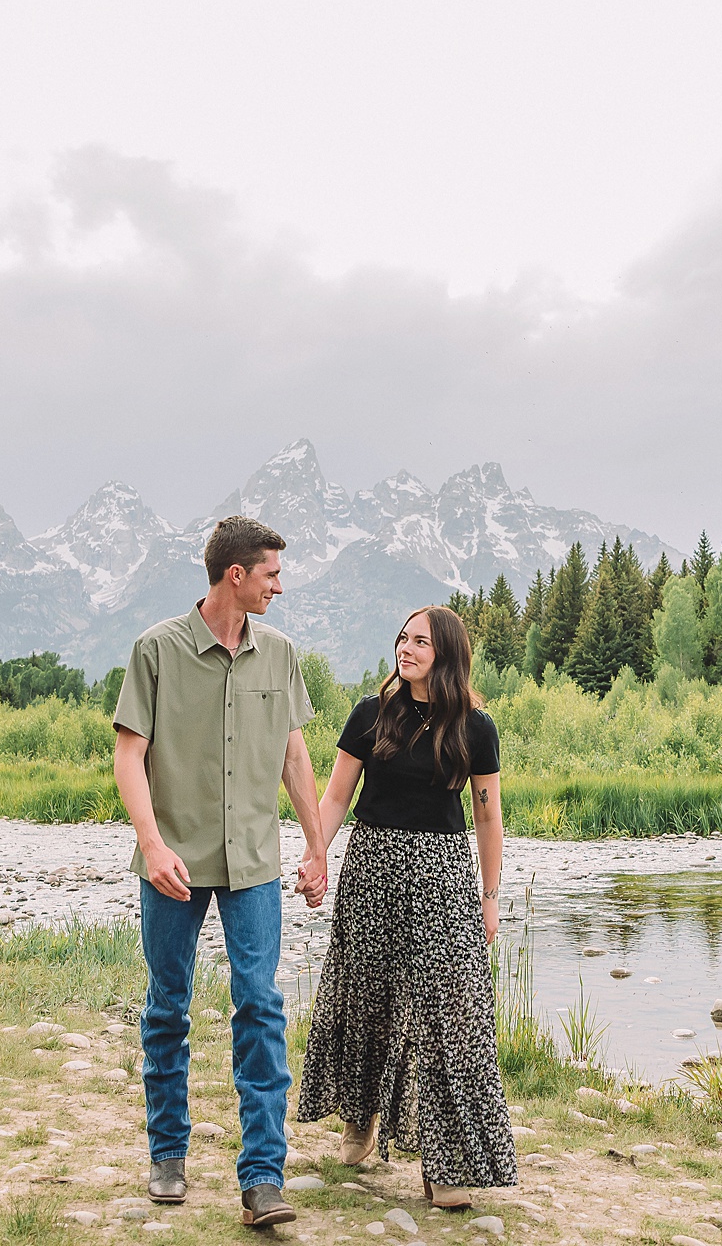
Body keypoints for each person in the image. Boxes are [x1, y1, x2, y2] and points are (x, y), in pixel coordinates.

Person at [113, 515, 329, 1228]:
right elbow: (128, 756)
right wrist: (151, 845)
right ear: (235, 575)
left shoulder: (281, 654)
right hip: (172, 861)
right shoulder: (156, 650)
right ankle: (167, 1155)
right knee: (167, 1007)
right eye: (271, 573)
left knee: (260, 1006)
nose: (278, 586)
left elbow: (295, 756)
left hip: (254, 863)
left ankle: (263, 1177)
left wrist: (317, 846)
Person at [296, 605, 517, 1209]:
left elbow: (489, 817)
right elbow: (336, 797)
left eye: (420, 641)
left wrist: (489, 897)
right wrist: (316, 855)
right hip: (371, 868)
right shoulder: (371, 713)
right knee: (366, 995)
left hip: (445, 877)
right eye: (402, 638)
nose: (406, 648)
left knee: (454, 1017)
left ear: (446, 653)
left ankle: (447, 1163)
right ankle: (360, 1114)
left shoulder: (476, 727)